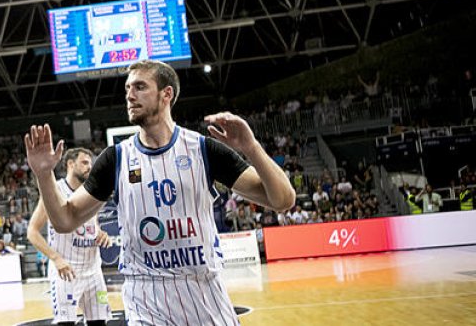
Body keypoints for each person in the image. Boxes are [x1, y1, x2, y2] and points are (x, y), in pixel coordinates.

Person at [24, 60, 296, 326]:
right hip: (146, 296)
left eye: (140, 87)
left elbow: (283, 200)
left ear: (167, 94)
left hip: (204, 291)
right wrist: (44, 174)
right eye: (128, 89)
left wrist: (250, 147)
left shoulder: (203, 149)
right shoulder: (115, 159)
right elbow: (64, 220)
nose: (130, 95)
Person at [26, 147, 112, 326]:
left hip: (94, 272)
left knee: (100, 322)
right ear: (71, 164)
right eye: (85, 162)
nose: (90, 167)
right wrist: (56, 258)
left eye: (91, 163)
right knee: (66, 323)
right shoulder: (55, 190)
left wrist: (101, 234)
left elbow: (93, 224)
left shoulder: (91, 190)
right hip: (66, 273)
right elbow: (32, 232)